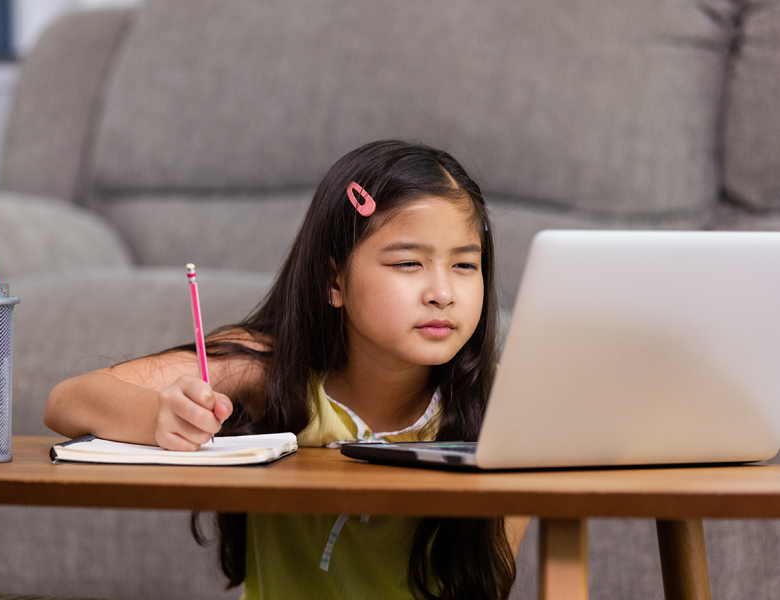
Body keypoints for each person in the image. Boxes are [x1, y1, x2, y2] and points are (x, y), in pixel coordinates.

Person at [44, 139, 529, 600]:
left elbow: (489, 584)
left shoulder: (508, 405)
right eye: (408, 263)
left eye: (465, 266)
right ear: (332, 280)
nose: (442, 292)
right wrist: (159, 417)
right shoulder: (264, 369)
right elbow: (67, 401)